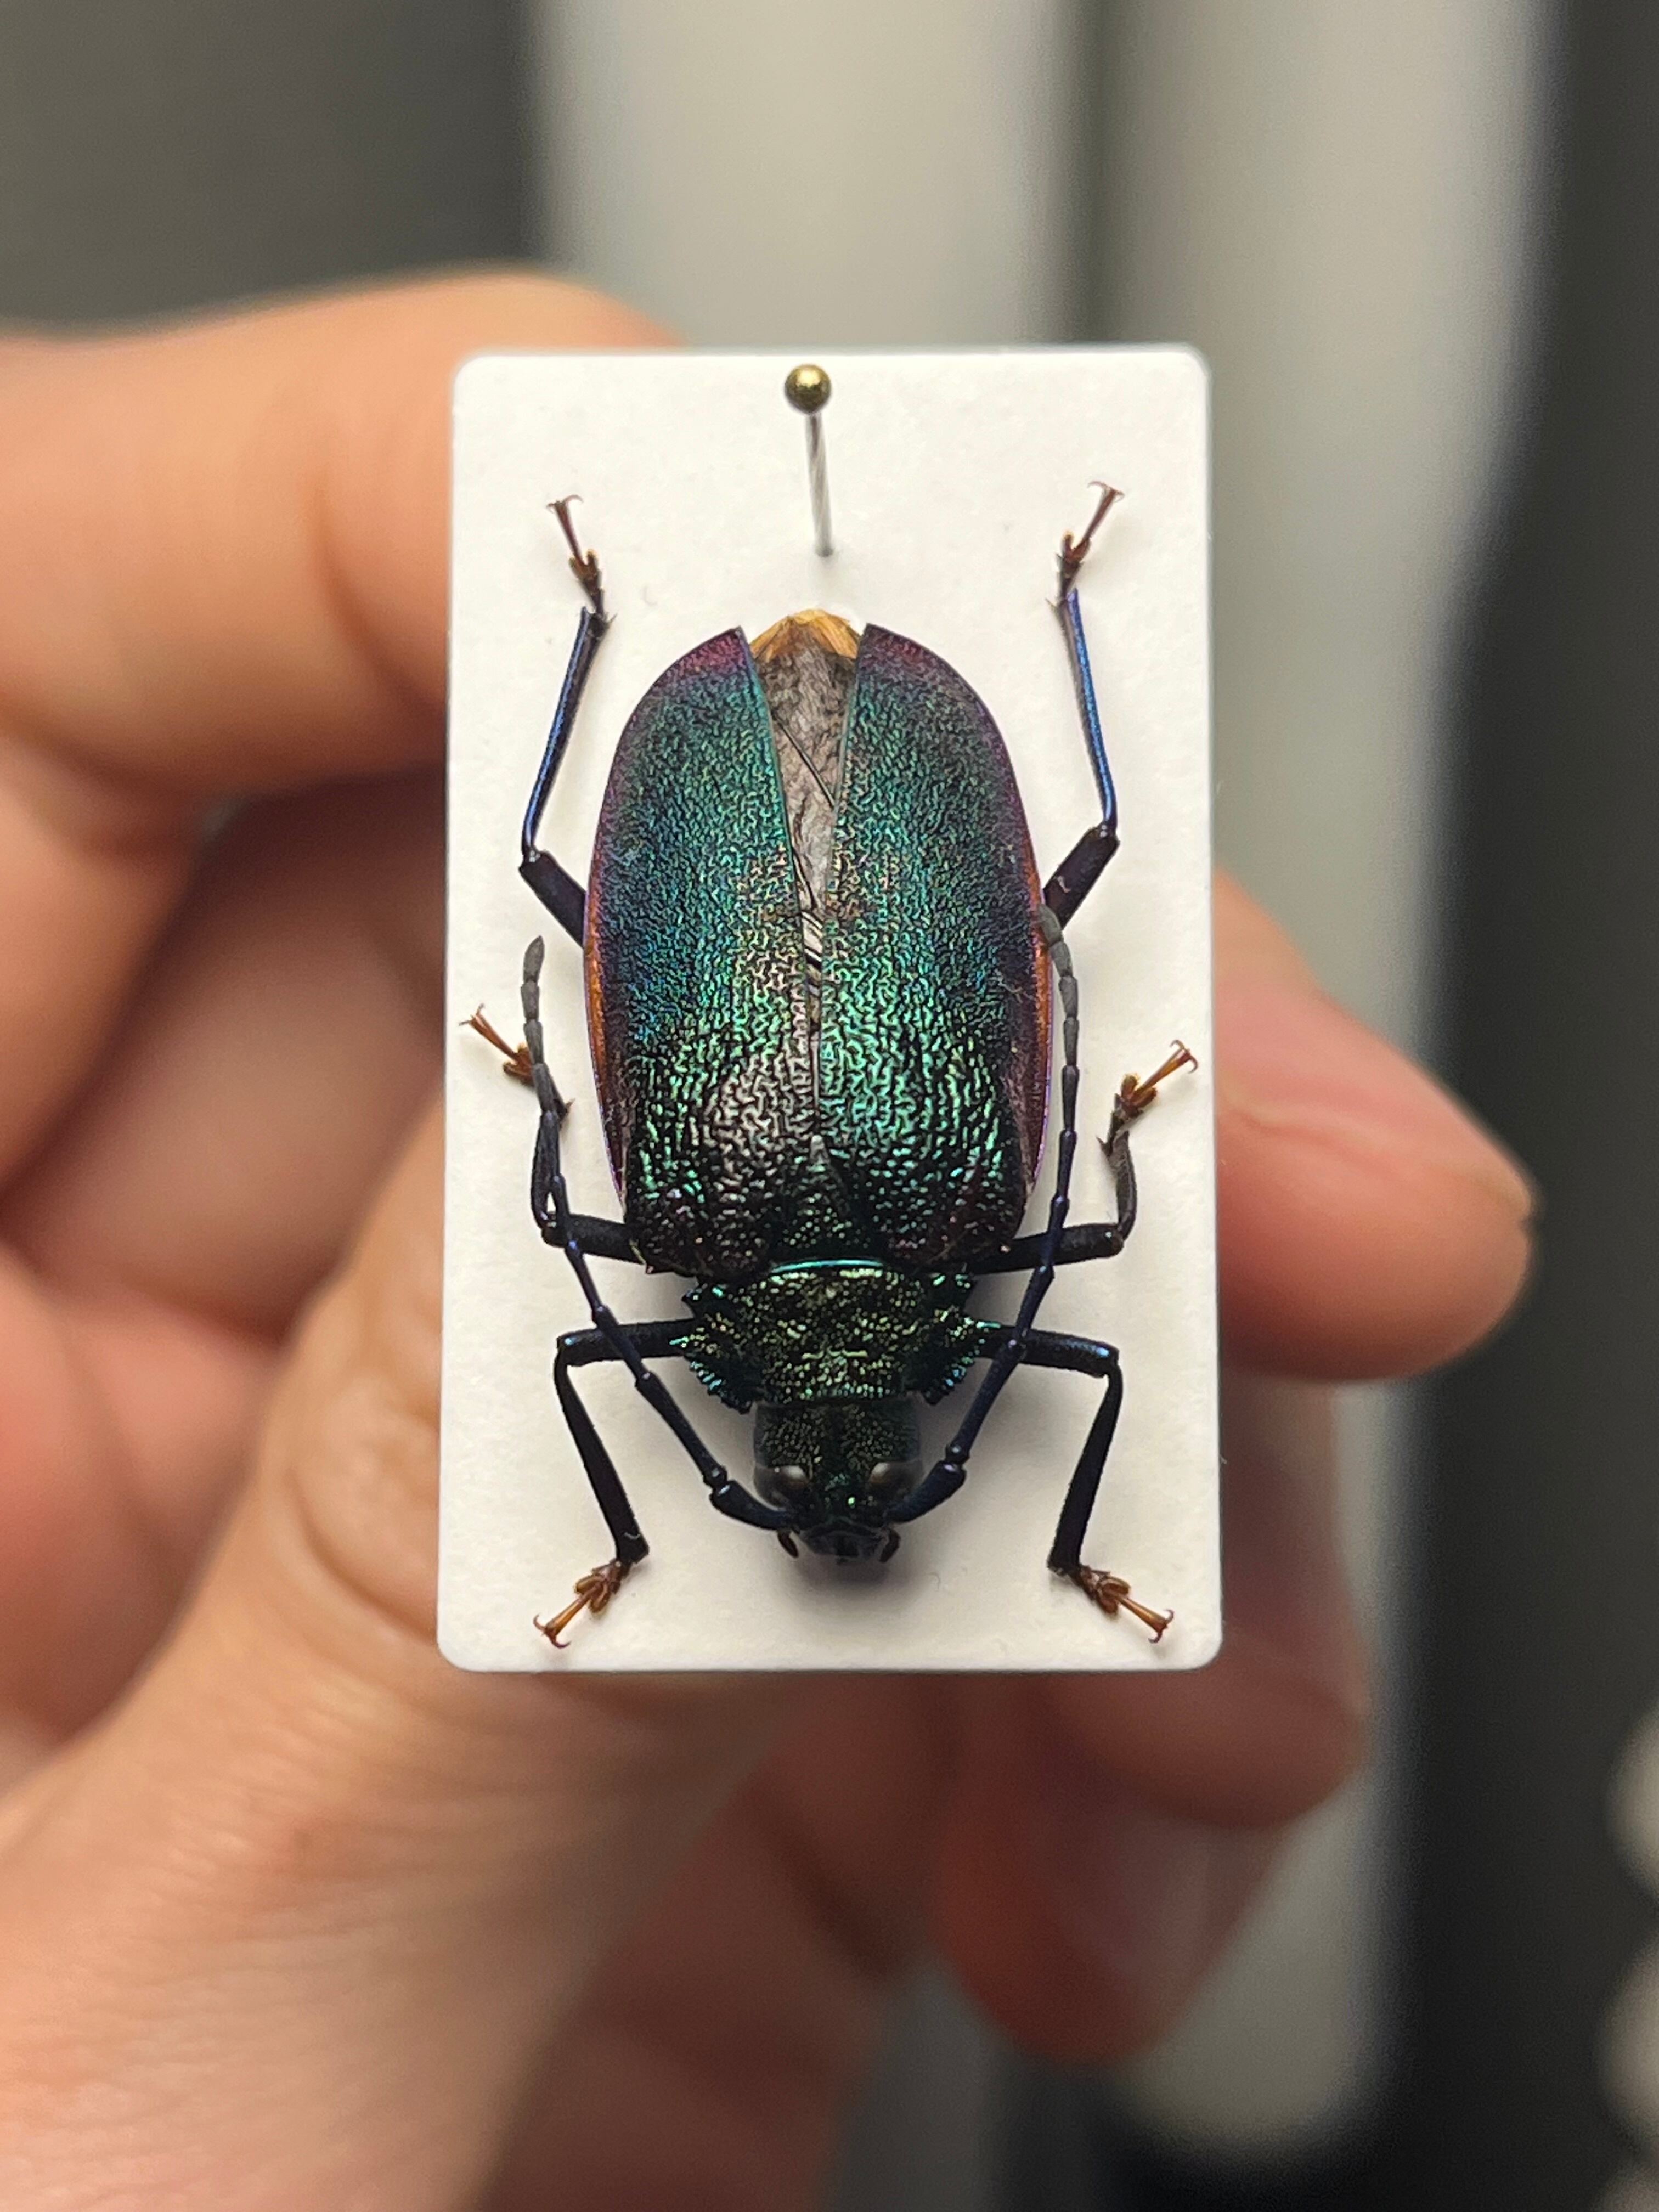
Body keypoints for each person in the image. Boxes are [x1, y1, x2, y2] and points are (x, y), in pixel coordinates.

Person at [0, 275, 1532, 2208]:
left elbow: (619, 1265)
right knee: (1028, 930)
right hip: (812, 782)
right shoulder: (889, 1248)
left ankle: (743, 613)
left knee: (657, 935)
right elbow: (1062, 1249)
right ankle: (1027, 595)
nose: (843, 1490)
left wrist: (554, 1107)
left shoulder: (908, 1245)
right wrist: (1105, 1130)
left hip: (753, 773)